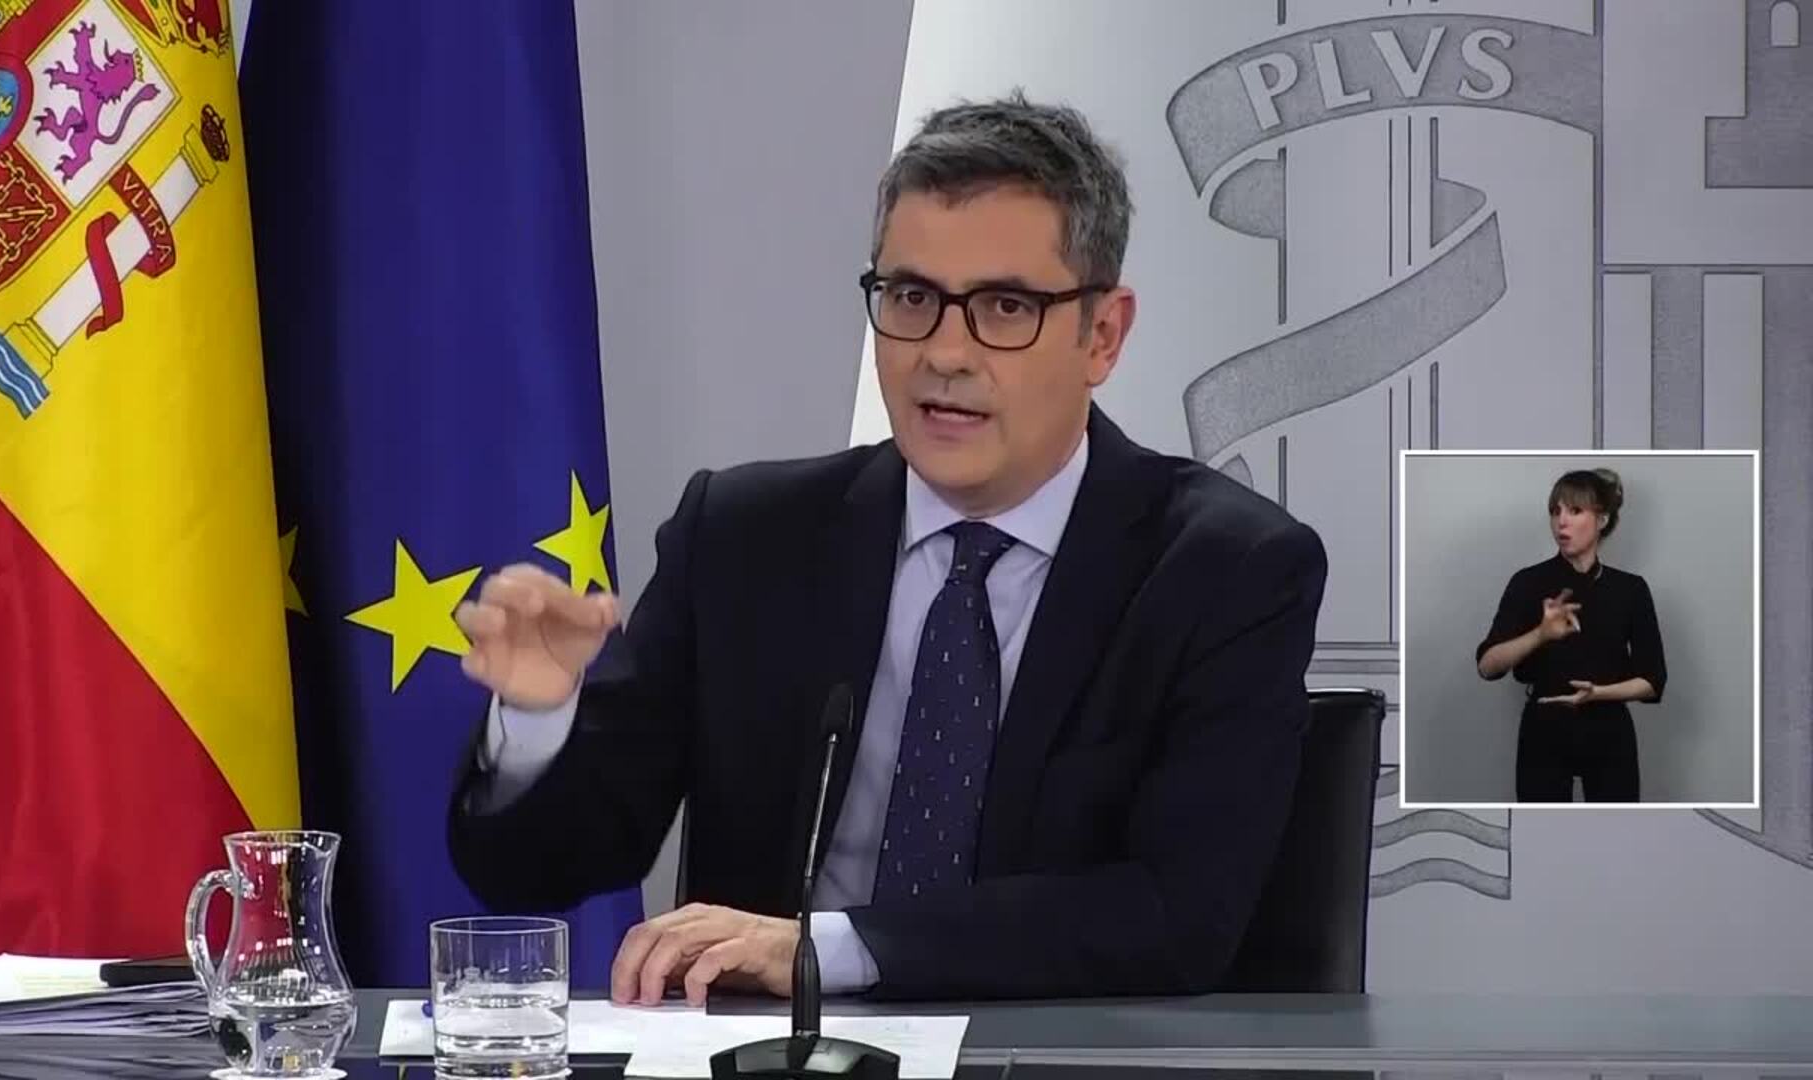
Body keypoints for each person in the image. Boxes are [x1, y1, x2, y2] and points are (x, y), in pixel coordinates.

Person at [446, 94, 1328, 1003]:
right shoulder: (745, 538)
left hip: (1057, 1058)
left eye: (1005, 307)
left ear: (1101, 335)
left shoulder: (1224, 571)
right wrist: (539, 720)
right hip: (770, 1059)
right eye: (912, 298)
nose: (944, 353)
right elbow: (544, 866)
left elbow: (1175, 916)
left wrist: (825, 951)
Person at [1474, 468, 1667, 802]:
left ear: (1602, 519)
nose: (1561, 522)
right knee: (1543, 828)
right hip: (1544, 729)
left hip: (1609, 730)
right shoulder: (1528, 582)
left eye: (1575, 511)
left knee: (1615, 828)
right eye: (1555, 511)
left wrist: (1598, 693)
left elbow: (1653, 680)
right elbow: (1487, 666)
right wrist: (1541, 634)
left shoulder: (1630, 589)